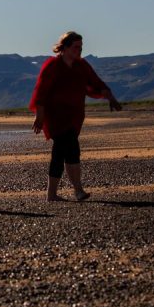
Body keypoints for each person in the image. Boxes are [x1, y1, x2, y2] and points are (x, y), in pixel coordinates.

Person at [30, 31, 122, 201]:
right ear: (64, 48)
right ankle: (77, 190)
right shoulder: (52, 66)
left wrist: (111, 97)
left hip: (74, 115)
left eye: (81, 47)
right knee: (70, 148)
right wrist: (40, 116)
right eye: (75, 47)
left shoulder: (82, 66)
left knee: (60, 152)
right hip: (56, 116)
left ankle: (53, 194)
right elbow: (40, 92)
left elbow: (96, 83)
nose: (79, 50)